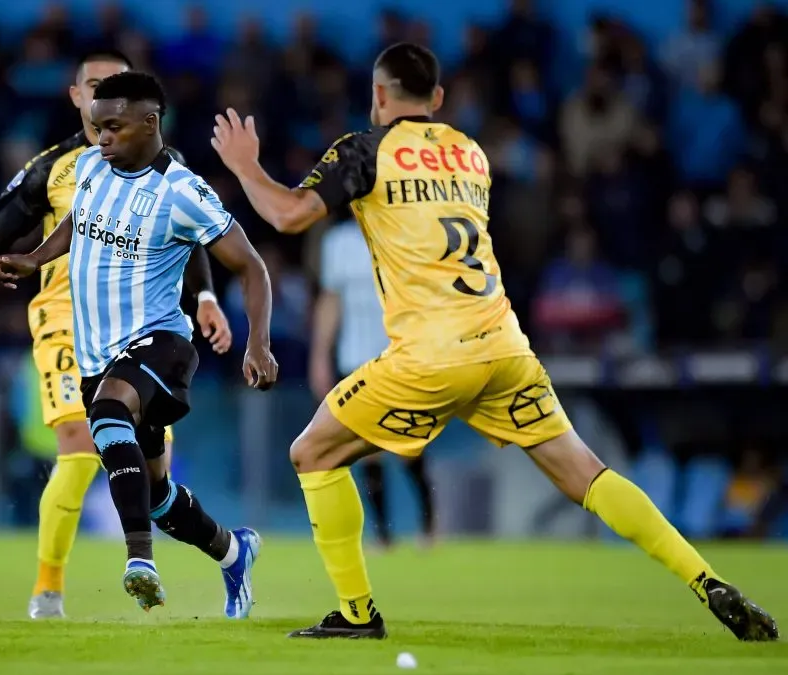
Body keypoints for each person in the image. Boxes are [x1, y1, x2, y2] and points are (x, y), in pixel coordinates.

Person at [210, 42, 778, 641]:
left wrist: (246, 166)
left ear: (378, 95)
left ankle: (356, 614)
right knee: (586, 473)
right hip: (505, 347)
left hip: (431, 355)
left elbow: (289, 215)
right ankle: (706, 580)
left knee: (312, 453)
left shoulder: (365, 150)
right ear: (437, 98)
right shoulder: (471, 154)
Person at [0, 51, 234, 620]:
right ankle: (50, 589)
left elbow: (189, 236)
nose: (103, 98)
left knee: (154, 475)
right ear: (76, 97)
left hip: (143, 323)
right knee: (78, 440)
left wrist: (206, 298)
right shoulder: (55, 168)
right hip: (66, 319)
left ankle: (229, 551)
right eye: (94, 86)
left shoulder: (165, 167)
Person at [0, 71, 278, 616]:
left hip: (161, 343)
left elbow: (251, 266)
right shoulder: (92, 167)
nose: (101, 139)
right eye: (97, 127)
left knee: (106, 412)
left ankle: (139, 561)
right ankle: (233, 551)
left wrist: (257, 343)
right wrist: (33, 258)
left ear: (150, 123)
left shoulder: (182, 192)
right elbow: (78, 220)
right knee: (158, 494)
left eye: (114, 128)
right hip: (97, 354)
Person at [311, 211, 435, 547]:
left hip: (399, 358)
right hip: (355, 361)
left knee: (408, 445)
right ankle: (383, 534)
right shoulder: (338, 243)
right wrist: (320, 356)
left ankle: (429, 524)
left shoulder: (405, 234)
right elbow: (331, 301)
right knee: (367, 449)